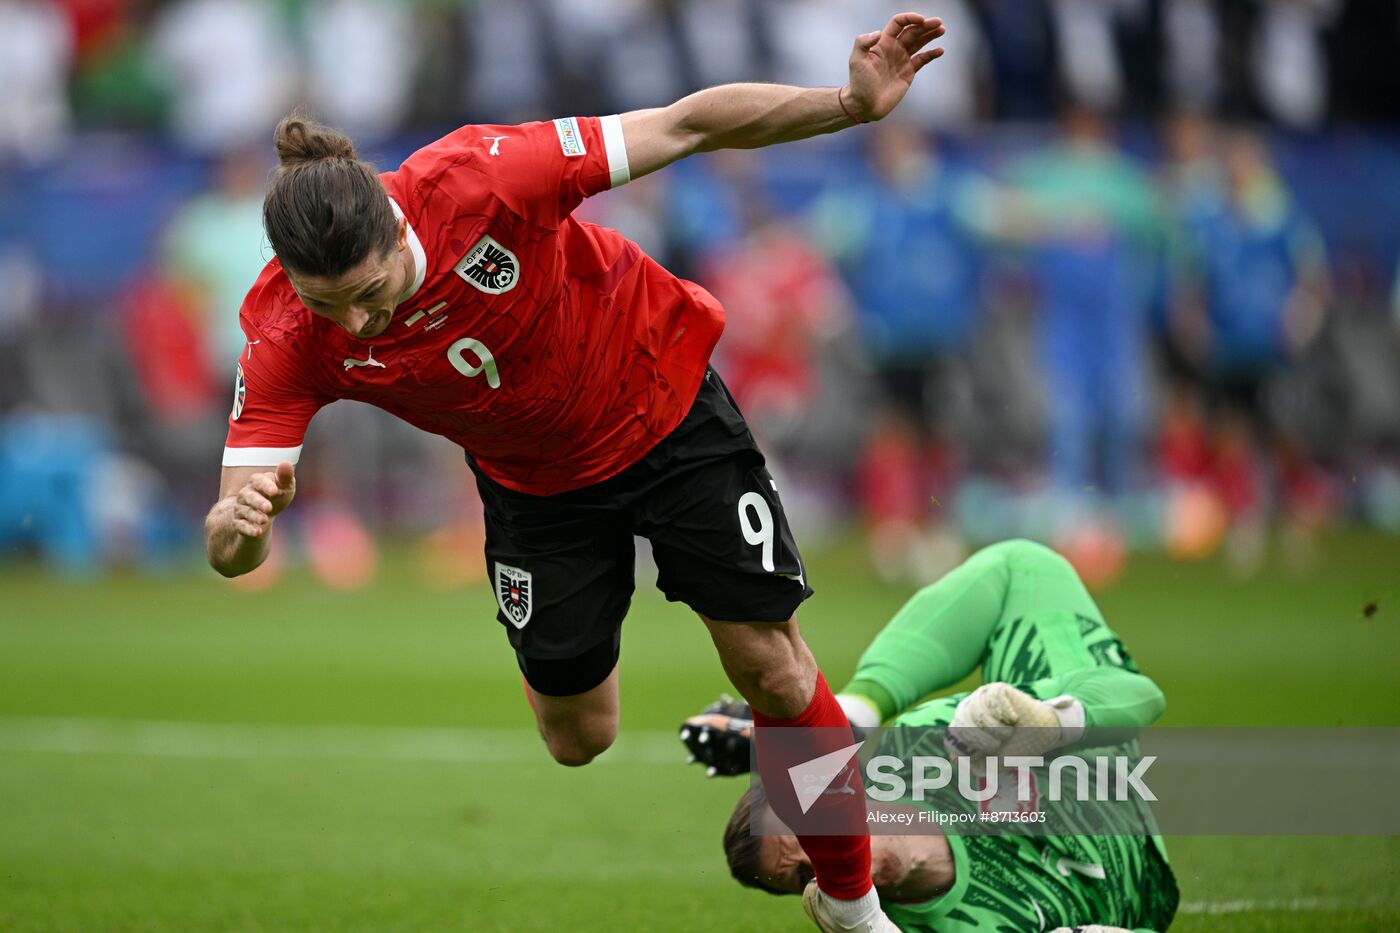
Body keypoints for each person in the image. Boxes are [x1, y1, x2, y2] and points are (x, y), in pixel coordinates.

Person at [202, 12, 947, 932]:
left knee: (774, 667)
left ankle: (851, 904)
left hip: (665, 407)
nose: (356, 326)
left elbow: (689, 123)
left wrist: (847, 105)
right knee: (576, 737)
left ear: (396, 231)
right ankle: (753, 730)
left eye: (369, 294)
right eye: (329, 305)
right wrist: (237, 531)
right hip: (532, 484)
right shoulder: (286, 332)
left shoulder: (489, 176)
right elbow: (232, 534)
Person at [684, 540, 1178, 931]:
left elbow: (1140, 694)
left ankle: (851, 715)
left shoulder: (932, 745)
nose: (828, 858)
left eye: (819, 828)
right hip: (1138, 890)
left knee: (1024, 568)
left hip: (1099, 777)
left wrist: (1047, 720)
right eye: (807, 877)